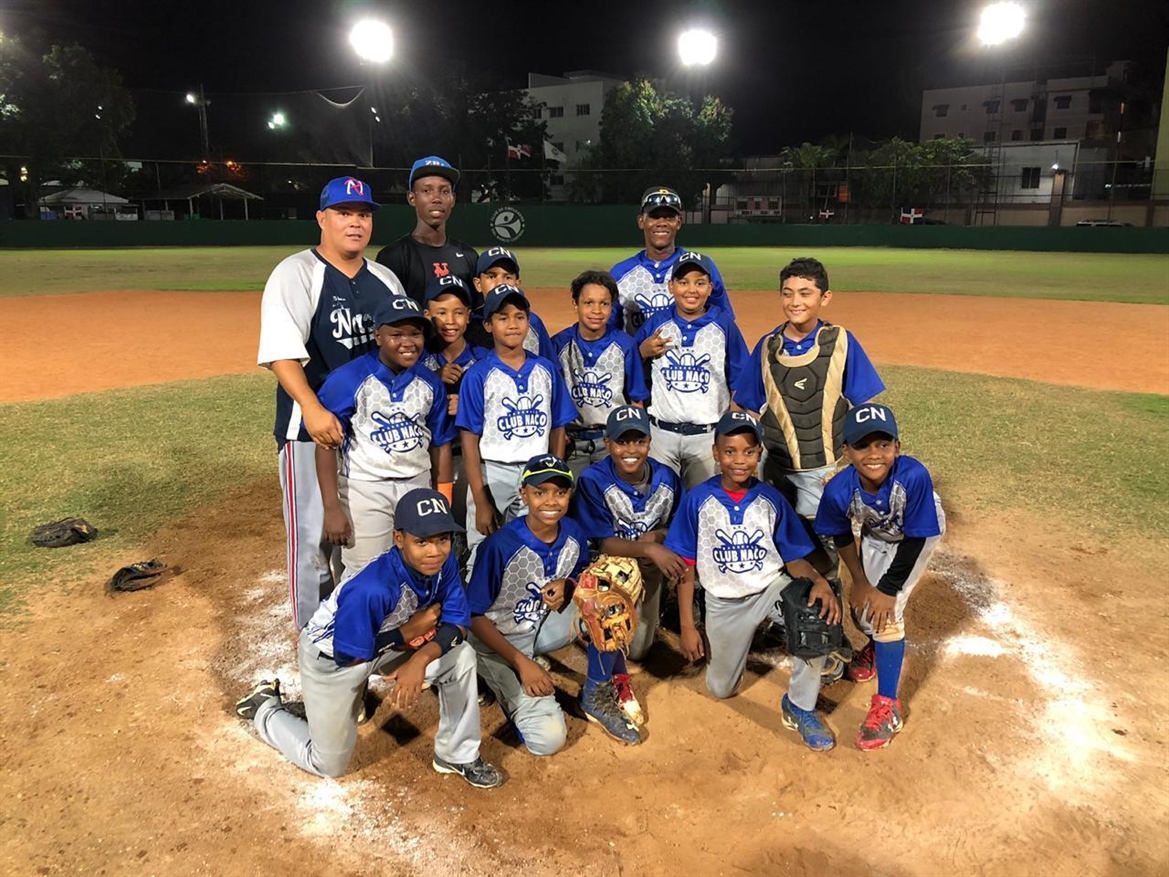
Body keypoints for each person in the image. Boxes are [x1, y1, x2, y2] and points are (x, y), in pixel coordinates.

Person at [235, 488, 503, 788]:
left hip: (385, 642)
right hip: (334, 658)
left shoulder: (445, 563)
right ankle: (265, 708)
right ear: (399, 538)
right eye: (422, 541)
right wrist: (408, 633)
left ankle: (457, 755)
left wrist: (419, 659)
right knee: (328, 764)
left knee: (461, 657)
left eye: (442, 539)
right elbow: (347, 655)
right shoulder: (373, 588)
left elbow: (457, 622)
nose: (434, 551)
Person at [257, 176, 406, 629]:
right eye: (344, 213)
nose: (355, 222)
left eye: (363, 214)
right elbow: (280, 353)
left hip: (371, 435)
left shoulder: (384, 279)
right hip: (309, 432)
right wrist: (312, 408)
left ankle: (361, 624)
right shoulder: (296, 272)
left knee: (359, 535)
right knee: (311, 544)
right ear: (322, 219)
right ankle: (312, 637)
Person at [663, 412, 842, 751]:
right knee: (721, 689)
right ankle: (747, 640)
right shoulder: (698, 500)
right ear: (715, 453)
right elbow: (685, 567)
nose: (739, 460)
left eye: (748, 451)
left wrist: (818, 580)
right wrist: (687, 625)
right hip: (723, 603)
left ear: (759, 453)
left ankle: (800, 706)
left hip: (769, 588)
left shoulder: (771, 499)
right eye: (730, 451)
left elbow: (792, 556)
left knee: (813, 620)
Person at [468, 455, 641, 752]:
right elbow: (473, 616)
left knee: (608, 600)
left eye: (560, 492)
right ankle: (494, 679)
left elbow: (584, 576)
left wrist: (569, 584)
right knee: (547, 740)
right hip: (499, 637)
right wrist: (522, 663)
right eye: (540, 492)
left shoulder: (573, 532)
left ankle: (595, 696)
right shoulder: (499, 547)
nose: (551, 501)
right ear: (524, 495)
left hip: (542, 623)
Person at [732, 256, 885, 586]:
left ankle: (828, 612)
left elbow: (866, 411)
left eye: (805, 293)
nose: (795, 302)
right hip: (776, 472)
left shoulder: (840, 342)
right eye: (787, 293)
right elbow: (742, 407)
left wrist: (857, 464)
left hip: (823, 472)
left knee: (826, 560)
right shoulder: (767, 347)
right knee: (779, 554)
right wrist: (745, 458)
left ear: (824, 297)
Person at [814, 404, 945, 750]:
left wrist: (887, 590)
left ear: (896, 447)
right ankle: (877, 647)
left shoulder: (913, 476)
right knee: (863, 612)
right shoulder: (838, 490)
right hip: (878, 533)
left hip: (918, 533)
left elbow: (915, 538)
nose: (874, 454)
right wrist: (859, 582)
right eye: (862, 445)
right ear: (847, 451)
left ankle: (888, 705)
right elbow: (840, 533)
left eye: (883, 445)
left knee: (886, 613)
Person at [315, 294, 455, 575]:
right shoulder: (348, 379)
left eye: (415, 334)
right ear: (378, 336)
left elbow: (440, 444)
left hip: (417, 483)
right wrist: (331, 508)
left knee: (419, 568)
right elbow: (325, 446)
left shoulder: (430, 382)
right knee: (365, 572)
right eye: (396, 334)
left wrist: (444, 498)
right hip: (366, 488)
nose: (408, 342)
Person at [571, 405, 686, 725]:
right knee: (612, 630)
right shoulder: (593, 479)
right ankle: (603, 657)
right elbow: (604, 543)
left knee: (638, 651)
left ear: (650, 442)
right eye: (622, 442)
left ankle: (619, 631)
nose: (631, 449)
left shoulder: (667, 477)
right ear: (608, 444)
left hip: (649, 567)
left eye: (639, 441)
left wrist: (659, 536)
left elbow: (680, 526)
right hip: (611, 567)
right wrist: (650, 548)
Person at [455, 284, 577, 569]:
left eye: (519, 317)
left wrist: (554, 472)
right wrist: (480, 500)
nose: (513, 324)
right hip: (493, 472)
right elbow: (469, 441)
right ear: (488, 325)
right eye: (503, 317)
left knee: (532, 551)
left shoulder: (546, 370)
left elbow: (558, 426)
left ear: (528, 321)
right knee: (483, 553)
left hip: (536, 471)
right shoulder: (478, 375)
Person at [635, 251, 749, 490]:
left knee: (703, 500)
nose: (691, 290)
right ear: (671, 286)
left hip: (707, 436)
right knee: (661, 501)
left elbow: (740, 379)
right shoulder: (657, 323)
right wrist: (642, 351)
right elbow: (630, 366)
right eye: (683, 282)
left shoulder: (724, 325)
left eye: (700, 283)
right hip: (661, 434)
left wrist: (728, 431)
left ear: (710, 288)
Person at [551, 269, 649, 475]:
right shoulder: (559, 344)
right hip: (571, 443)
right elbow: (551, 397)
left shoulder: (626, 345)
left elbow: (636, 401)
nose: (596, 310)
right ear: (575, 304)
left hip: (613, 441)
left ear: (612, 306)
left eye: (604, 303)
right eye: (589, 303)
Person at [609, 186, 734, 335]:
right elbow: (608, 329)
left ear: (679, 222)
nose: (662, 222)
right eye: (654, 216)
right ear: (641, 221)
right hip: (637, 350)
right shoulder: (620, 273)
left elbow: (724, 323)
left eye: (669, 217)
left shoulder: (701, 266)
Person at [375, 155, 481, 316]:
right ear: (412, 198)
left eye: (444, 191)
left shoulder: (469, 256)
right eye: (427, 191)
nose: (436, 198)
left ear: (453, 199)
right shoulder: (392, 257)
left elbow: (476, 314)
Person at [472, 246, 555, 360]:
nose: (500, 283)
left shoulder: (533, 323)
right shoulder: (468, 324)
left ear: (517, 284)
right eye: (492, 276)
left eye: (507, 277)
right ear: (478, 284)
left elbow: (551, 366)